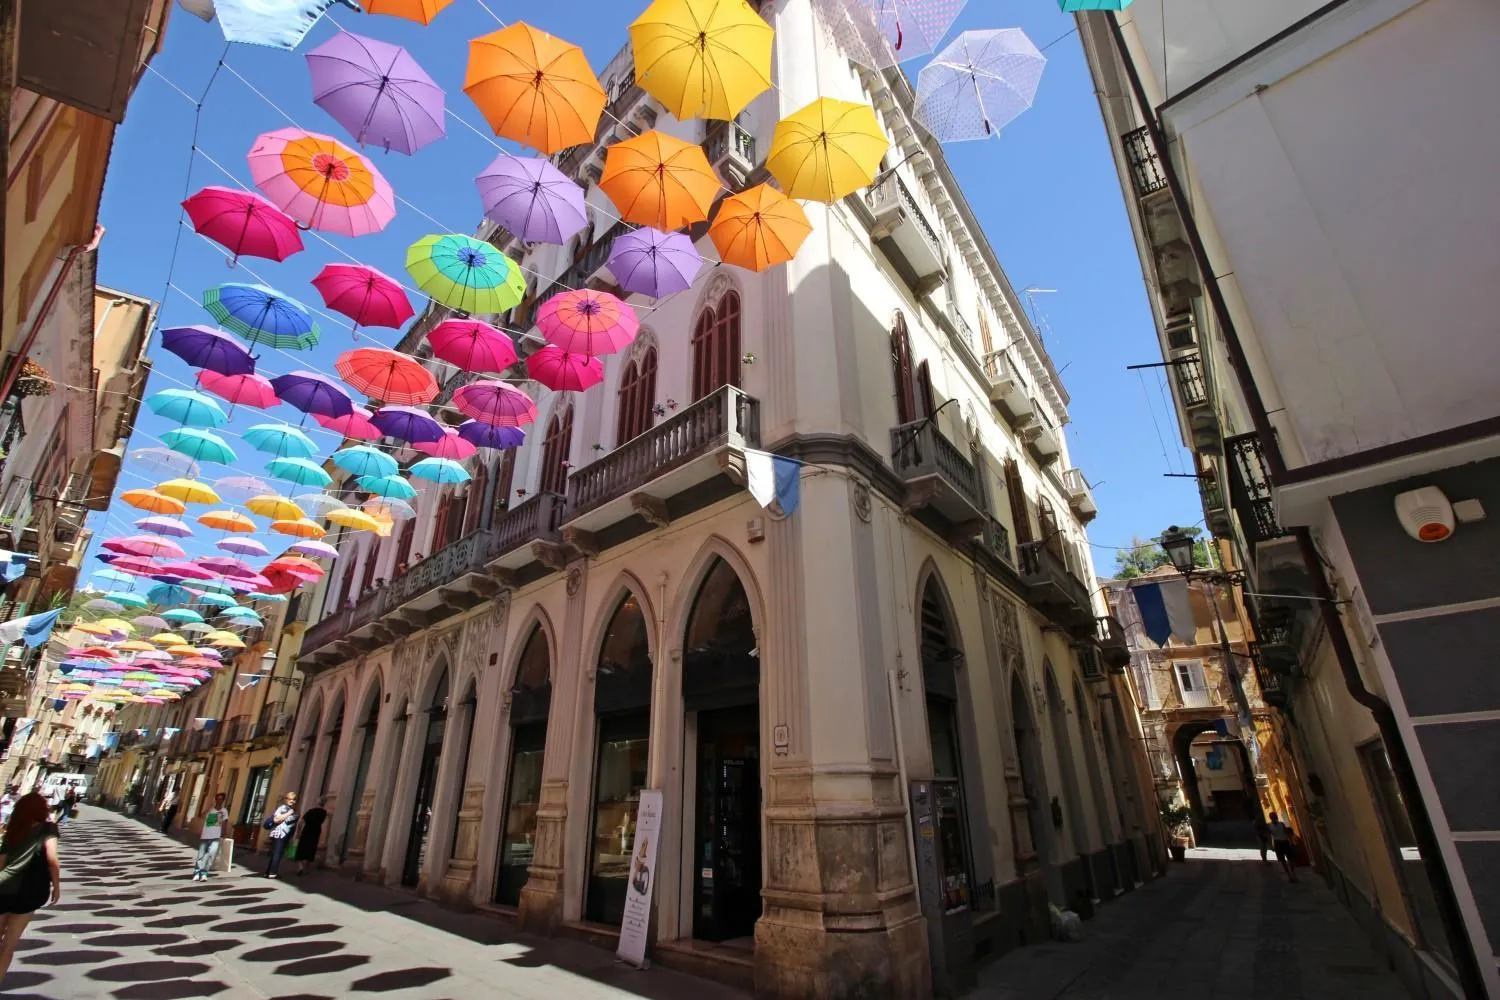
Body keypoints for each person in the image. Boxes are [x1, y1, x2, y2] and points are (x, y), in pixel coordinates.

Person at [0, 793, 61, 984]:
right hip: (28, 890)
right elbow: (52, 859)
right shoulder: (48, 829)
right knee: (8, 945)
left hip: (3, 886)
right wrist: (56, 886)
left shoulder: (14, 827)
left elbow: (1, 862)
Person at [193, 792, 230, 882]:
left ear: (223, 800)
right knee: (201, 856)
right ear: (215, 799)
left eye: (221, 799)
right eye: (218, 799)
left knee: (211, 855)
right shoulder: (210, 809)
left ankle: (204, 873)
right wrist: (209, 808)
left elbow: (225, 823)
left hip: (216, 836)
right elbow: (201, 816)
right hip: (205, 835)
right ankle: (197, 872)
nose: (219, 801)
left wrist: (224, 833)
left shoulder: (224, 811)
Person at [262, 792, 298, 879]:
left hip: (284, 834)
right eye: (289, 799)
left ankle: (268, 872)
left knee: (276, 853)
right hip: (279, 834)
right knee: (277, 854)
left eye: (293, 799)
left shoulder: (289, 808)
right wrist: (289, 813)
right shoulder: (283, 808)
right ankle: (272, 873)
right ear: (285, 799)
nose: (291, 801)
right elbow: (276, 819)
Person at [295, 798, 328, 876]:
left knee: (301, 849)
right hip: (316, 832)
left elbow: (301, 822)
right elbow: (322, 822)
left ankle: (300, 867)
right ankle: (306, 867)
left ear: (317, 803)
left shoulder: (311, 811)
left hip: (306, 831)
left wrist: (298, 832)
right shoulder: (324, 813)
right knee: (311, 849)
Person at [1267, 811, 1298, 882]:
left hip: (1285, 841)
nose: (1274, 818)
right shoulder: (1269, 826)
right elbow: (1269, 836)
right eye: (1273, 817)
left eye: (1275, 816)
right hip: (1277, 843)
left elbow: (1286, 832)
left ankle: (1293, 874)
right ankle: (1289, 875)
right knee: (1282, 860)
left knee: (1290, 859)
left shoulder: (1281, 824)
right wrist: (1271, 845)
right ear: (1270, 818)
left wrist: (1291, 841)